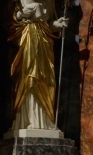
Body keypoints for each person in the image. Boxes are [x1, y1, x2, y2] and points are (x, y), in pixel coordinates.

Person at [9, 0, 68, 130]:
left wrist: (57, 24)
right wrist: (21, 15)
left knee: (46, 79)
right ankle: (24, 120)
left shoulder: (50, 1)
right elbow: (10, 21)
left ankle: (45, 121)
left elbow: (49, 23)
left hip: (44, 41)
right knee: (28, 76)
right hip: (27, 38)